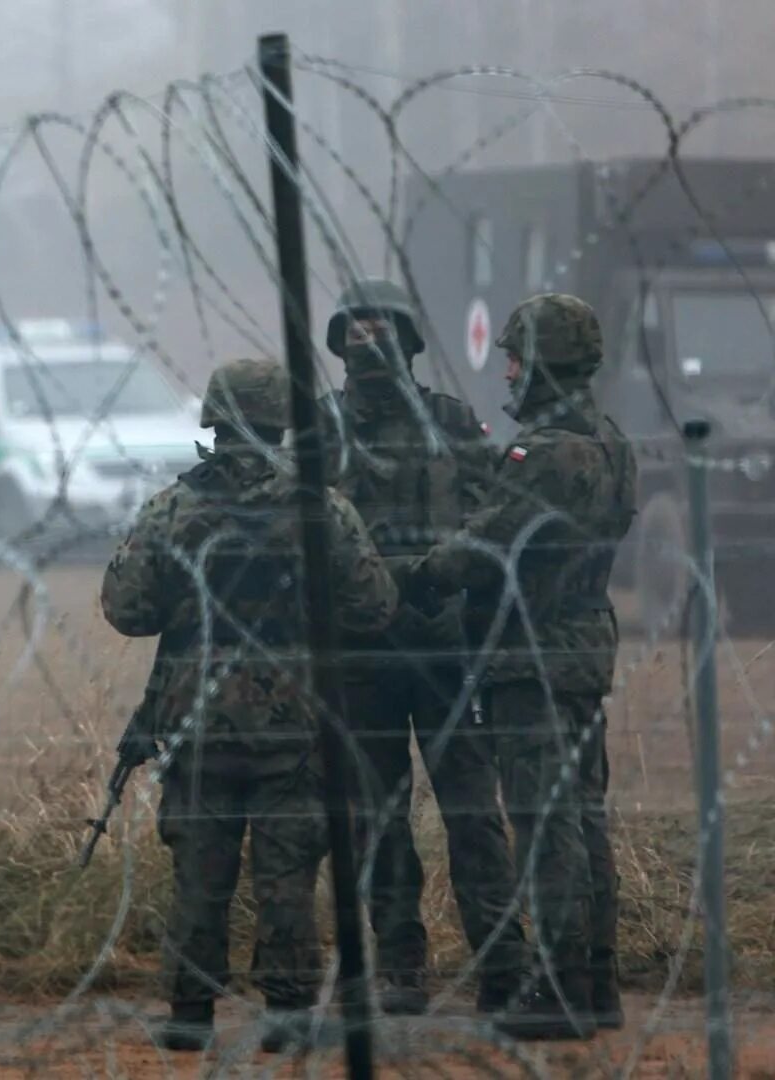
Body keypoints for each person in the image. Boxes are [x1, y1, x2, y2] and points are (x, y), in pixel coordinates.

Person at [102, 358, 396, 1053]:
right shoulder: (322, 508)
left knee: (200, 873)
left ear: (215, 421)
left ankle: (188, 1012)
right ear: (281, 424)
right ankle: (290, 1013)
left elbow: (126, 608)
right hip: (295, 726)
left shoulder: (175, 507)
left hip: (197, 721)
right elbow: (375, 605)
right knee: (287, 875)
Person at [414, 293, 636, 1040]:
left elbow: (485, 545)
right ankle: (594, 981)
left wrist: (422, 570)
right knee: (582, 815)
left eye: (514, 357)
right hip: (583, 643)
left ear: (540, 363)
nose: (506, 370)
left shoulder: (542, 454)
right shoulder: (610, 440)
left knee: (546, 824)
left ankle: (560, 990)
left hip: (531, 652)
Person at [318, 279, 528, 1016]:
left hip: (442, 652)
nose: (367, 343)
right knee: (379, 818)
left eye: (381, 330)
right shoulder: (319, 433)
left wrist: (440, 578)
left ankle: (502, 965)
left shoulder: (450, 424)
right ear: (340, 340)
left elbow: (491, 521)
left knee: (472, 812)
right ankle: (403, 964)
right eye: (356, 329)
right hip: (360, 657)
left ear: (406, 339)